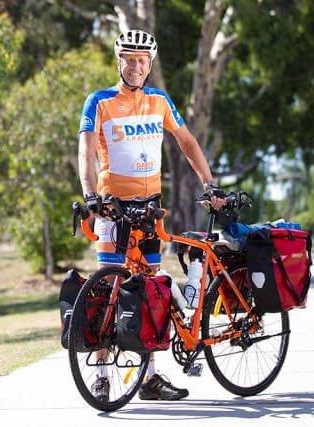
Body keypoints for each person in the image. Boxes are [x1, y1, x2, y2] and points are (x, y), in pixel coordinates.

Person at [77, 29, 225, 402]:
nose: (136, 66)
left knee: (152, 289)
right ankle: (103, 375)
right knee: (109, 288)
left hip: (149, 210)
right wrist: (91, 195)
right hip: (113, 207)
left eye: (143, 61)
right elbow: (86, 152)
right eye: (130, 59)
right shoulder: (100, 101)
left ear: (150, 64)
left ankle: (150, 378)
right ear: (119, 61)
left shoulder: (159, 101)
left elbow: (187, 142)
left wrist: (209, 184)